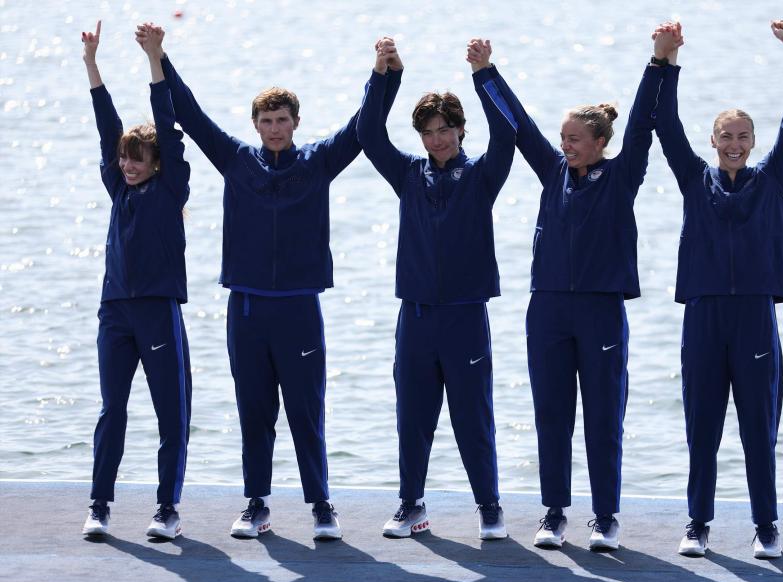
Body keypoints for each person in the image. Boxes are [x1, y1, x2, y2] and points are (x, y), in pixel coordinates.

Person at [136, 24, 401, 540]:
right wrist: (158, 55)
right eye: (266, 120)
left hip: (299, 309)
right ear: (255, 124)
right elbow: (187, 112)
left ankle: (322, 506)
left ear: (296, 122)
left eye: (282, 120)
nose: (274, 128)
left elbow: (364, 127)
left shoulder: (318, 162)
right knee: (254, 412)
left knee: (306, 412)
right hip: (248, 310)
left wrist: (383, 72)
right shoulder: (236, 160)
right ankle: (256, 504)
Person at [487, 29, 669, 550]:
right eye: (563, 138)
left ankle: (606, 518)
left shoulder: (621, 175)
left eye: (573, 139)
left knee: (603, 418)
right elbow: (519, 126)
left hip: (600, 311)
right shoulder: (552, 172)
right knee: (552, 416)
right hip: (546, 310)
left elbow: (641, 125)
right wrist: (485, 74)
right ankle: (553, 514)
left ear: (598, 144)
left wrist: (659, 64)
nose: (564, 145)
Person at [653, 21, 783, 559]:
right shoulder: (694, 180)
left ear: (753, 143)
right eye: (726, 137)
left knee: (758, 430)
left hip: (755, 318)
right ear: (713, 142)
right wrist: (667, 62)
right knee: (703, 428)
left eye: (744, 137)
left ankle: (766, 527)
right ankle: (698, 523)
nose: (735, 145)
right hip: (703, 317)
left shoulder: (771, 180)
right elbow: (664, 122)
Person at [356, 37, 516, 539]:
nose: (437, 139)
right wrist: (385, 76)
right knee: (413, 416)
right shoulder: (407, 174)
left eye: (445, 129)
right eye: (428, 132)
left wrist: (484, 73)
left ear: (461, 130)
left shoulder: (482, 175)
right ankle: (411, 505)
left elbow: (508, 132)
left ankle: (489, 507)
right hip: (418, 317)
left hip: (466, 315)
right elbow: (367, 131)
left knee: (473, 417)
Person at [80, 21, 192, 540]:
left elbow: (166, 123)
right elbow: (108, 124)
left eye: (136, 157)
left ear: (156, 164)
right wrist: (91, 64)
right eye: (123, 158)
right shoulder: (118, 187)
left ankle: (166, 510)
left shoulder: (171, 187)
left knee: (171, 412)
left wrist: (156, 58)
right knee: (112, 410)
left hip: (157, 309)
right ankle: (100, 505)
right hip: (115, 313)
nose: (127, 164)